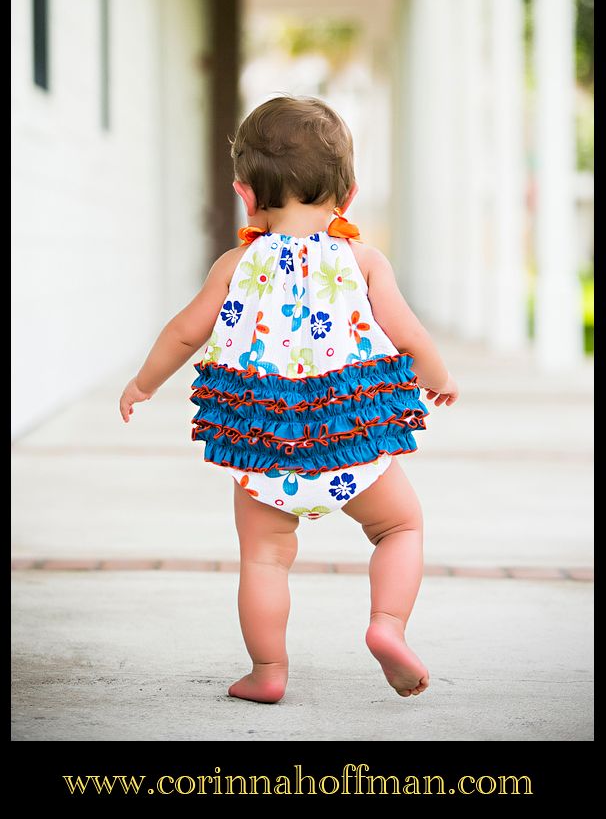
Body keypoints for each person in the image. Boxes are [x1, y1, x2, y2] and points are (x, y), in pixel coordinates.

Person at [119, 96, 459, 705]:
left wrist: (144, 383)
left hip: (264, 441)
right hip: (350, 435)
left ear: (245, 194)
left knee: (265, 560)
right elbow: (407, 333)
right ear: (348, 194)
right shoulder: (362, 261)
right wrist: (438, 376)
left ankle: (268, 670)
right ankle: (387, 627)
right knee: (400, 526)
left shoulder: (237, 262)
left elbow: (184, 332)